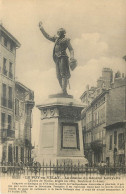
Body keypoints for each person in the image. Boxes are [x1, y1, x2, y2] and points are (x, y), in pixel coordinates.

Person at [39, 21, 75, 94]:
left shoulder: (66, 40)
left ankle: (63, 90)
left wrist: (72, 57)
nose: (59, 33)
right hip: (57, 58)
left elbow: (71, 49)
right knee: (58, 75)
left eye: (60, 32)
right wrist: (41, 28)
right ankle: (63, 90)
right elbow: (47, 36)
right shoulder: (56, 39)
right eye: (58, 32)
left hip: (63, 57)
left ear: (63, 33)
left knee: (63, 74)